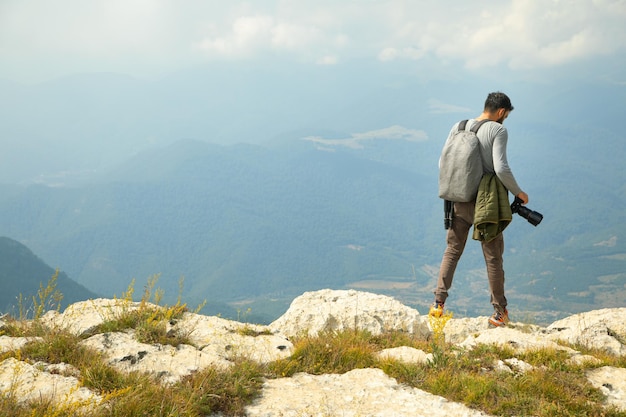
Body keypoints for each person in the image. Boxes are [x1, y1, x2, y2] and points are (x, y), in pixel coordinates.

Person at [429, 91, 529, 327]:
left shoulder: (459, 126)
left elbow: (442, 162)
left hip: (458, 198)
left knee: (452, 250)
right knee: (493, 256)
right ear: (502, 112)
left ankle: (438, 305)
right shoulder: (498, 130)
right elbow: (501, 168)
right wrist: (519, 193)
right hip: (487, 201)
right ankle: (499, 312)